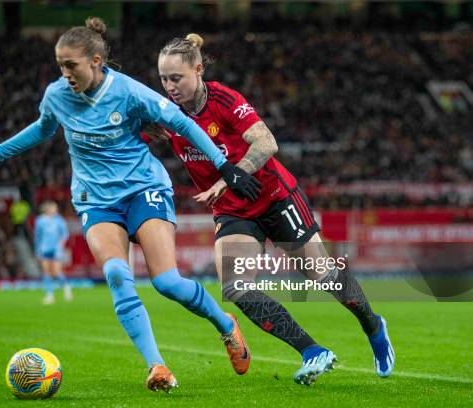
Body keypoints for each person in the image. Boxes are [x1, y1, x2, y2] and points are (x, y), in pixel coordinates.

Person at [0, 17, 262, 393]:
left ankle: (225, 324)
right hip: (95, 200)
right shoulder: (57, 95)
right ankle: (157, 366)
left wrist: (225, 167)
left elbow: (182, 123)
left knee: (166, 282)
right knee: (118, 275)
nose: (65, 73)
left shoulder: (130, 92)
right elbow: (42, 127)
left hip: (143, 189)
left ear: (96, 61)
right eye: (60, 65)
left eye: (72, 65)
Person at [144, 33, 395, 385]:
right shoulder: (166, 114)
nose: (169, 87)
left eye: (176, 78)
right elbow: (131, 133)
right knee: (235, 288)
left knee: (322, 275)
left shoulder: (225, 100)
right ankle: (312, 350)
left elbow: (267, 142)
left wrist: (231, 177)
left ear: (198, 70)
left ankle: (373, 325)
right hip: (233, 211)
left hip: (276, 197)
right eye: (164, 79)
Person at [35, 201, 73, 304]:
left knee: (56, 271)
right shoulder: (40, 220)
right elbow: (38, 236)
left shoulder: (58, 219)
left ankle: (66, 287)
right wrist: (37, 250)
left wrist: (61, 244)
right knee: (47, 272)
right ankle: (49, 295)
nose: (56, 210)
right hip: (44, 249)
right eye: (54, 208)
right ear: (47, 209)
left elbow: (65, 234)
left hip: (56, 249)